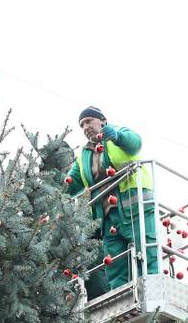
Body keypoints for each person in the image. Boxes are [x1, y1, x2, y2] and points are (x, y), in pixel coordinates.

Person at [64, 106, 158, 293]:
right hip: (107, 218)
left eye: (89, 121)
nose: (85, 127)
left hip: (134, 208)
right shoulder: (84, 155)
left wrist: (115, 136)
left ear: (102, 121)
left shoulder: (118, 135)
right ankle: (120, 297)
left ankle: (152, 289)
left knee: (145, 252)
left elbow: (135, 143)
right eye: (82, 124)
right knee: (114, 262)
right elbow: (71, 182)